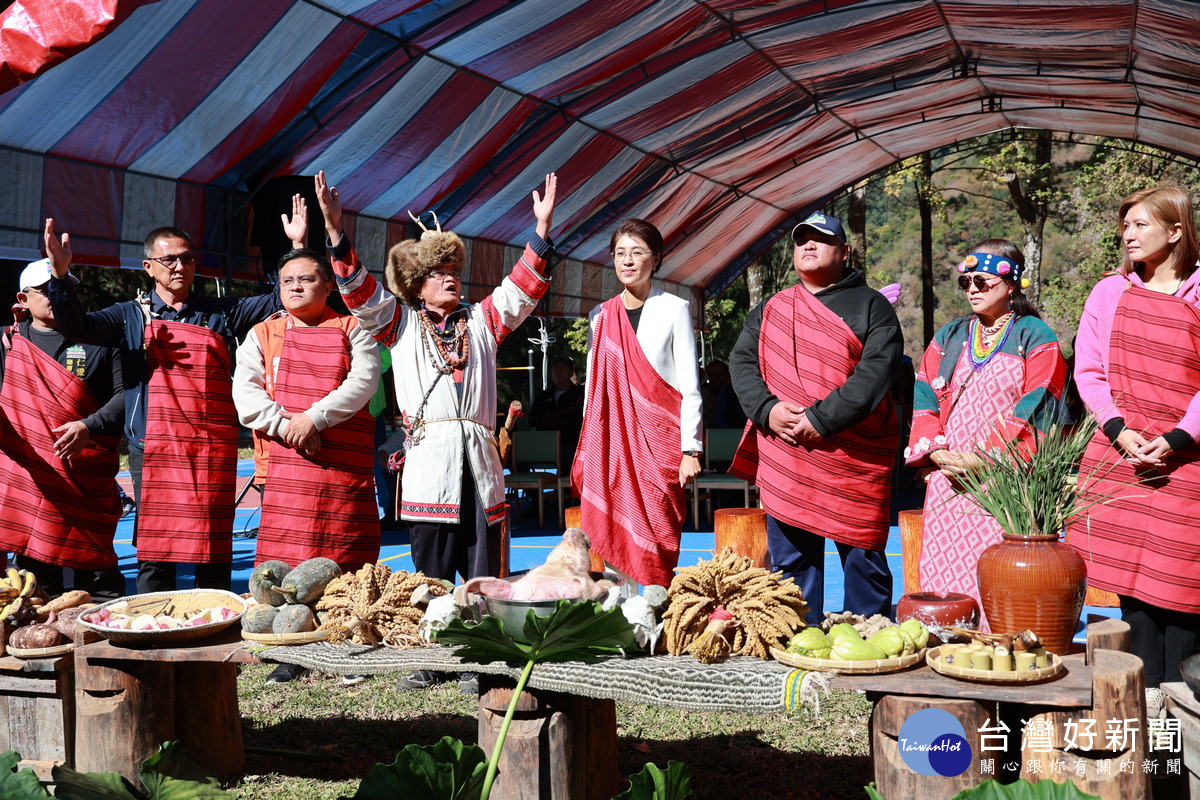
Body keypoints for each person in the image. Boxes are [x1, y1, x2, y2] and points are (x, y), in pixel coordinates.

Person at [315, 170, 558, 691]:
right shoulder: (398, 324)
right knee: (430, 566)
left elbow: (521, 290)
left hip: (479, 461)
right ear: (415, 284)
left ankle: (481, 656)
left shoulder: (484, 322)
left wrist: (540, 229)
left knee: (482, 565)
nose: (451, 278)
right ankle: (433, 656)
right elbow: (358, 292)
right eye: (438, 273)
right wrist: (335, 231)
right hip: (430, 462)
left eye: (454, 271)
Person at [46, 219, 282, 593]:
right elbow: (76, 328)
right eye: (169, 259)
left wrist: (296, 246)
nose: (179, 266)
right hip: (152, 448)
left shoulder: (222, 312)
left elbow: (281, 298)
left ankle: (217, 620)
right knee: (157, 554)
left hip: (210, 449)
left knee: (213, 549)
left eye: (186, 258)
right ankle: (152, 624)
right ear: (149, 267)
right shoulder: (128, 315)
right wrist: (61, 278)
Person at [729, 211, 901, 623]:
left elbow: (876, 374)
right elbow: (742, 362)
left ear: (844, 251)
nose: (808, 244)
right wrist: (768, 410)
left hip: (853, 459)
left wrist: (821, 420)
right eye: (801, 239)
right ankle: (796, 641)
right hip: (787, 453)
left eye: (821, 239)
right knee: (791, 563)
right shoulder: (773, 307)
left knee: (863, 560)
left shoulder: (873, 306)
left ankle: (870, 641)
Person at [1070, 185, 1200, 701]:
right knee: (1135, 599)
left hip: (1187, 463)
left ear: (1176, 230)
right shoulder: (1109, 292)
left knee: (1185, 594)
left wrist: (1177, 437)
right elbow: (1089, 370)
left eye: (1141, 224)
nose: (1128, 234)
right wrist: (1118, 429)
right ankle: (1140, 717)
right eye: (1125, 225)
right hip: (1121, 457)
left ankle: (1184, 722)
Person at [905, 241, 1067, 626]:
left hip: (1006, 481)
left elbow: (1041, 400)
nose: (972, 289)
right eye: (966, 282)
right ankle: (948, 643)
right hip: (950, 478)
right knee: (943, 572)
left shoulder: (1035, 335)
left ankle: (998, 644)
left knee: (1000, 572)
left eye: (982, 281)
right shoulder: (951, 336)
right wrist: (936, 452)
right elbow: (924, 391)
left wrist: (987, 458)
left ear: (1011, 284)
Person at [571, 219, 702, 587]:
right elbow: (594, 391)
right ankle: (622, 610)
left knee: (660, 533)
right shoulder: (599, 317)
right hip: (612, 446)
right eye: (620, 253)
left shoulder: (675, 308)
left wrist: (691, 449)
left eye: (637, 252)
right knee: (614, 530)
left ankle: (656, 603)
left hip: (661, 446)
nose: (627, 261)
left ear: (655, 259)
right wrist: (589, 446)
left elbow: (690, 386)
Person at [233, 248, 381, 569]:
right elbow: (246, 395)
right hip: (279, 467)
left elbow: (364, 382)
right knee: (283, 572)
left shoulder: (354, 329)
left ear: (328, 287)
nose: (295, 286)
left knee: (346, 568)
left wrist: (314, 419)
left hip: (342, 469)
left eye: (305, 279)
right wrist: (289, 427)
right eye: (287, 281)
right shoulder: (261, 334)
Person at [0, 258, 126, 599]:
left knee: (100, 584)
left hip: (86, 476)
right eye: (47, 290)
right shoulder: (7, 343)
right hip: (32, 480)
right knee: (35, 587)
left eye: (65, 288)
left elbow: (126, 396)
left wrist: (89, 426)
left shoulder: (103, 337)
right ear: (23, 299)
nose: (57, 296)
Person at [528, 354, 584, 474]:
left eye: (563, 367)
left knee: (568, 458)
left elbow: (573, 418)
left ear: (571, 372)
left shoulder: (579, 394)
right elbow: (532, 419)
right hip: (543, 444)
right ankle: (533, 487)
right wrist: (560, 420)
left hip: (569, 444)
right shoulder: (543, 396)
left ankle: (565, 486)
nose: (559, 371)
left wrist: (547, 419)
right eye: (556, 367)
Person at [701, 359, 747, 431]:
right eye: (711, 375)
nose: (714, 379)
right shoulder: (702, 395)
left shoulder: (735, 394)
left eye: (718, 375)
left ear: (726, 375)